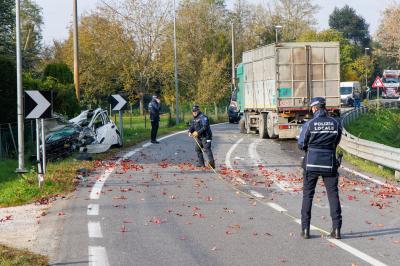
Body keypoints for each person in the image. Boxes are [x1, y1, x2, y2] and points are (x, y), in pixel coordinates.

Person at [297, 97, 343, 239]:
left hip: (311, 164)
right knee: (333, 195)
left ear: (315, 108)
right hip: (329, 164)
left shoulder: (310, 124)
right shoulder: (336, 123)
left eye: (312, 108)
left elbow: (301, 144)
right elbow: (337, 141)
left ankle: (305, 230)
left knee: (308, 196)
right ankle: (336, 229)